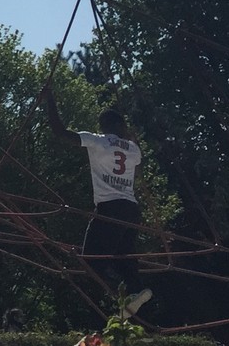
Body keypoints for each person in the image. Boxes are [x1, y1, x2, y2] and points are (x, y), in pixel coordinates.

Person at [43, 83, 153, 315]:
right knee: (125, 256)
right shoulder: (133, 149)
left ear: (103, 127)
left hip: (109, 207)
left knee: (91, 261)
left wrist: (49, 100)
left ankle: (117, 290)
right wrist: (128, 136)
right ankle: (135, 291)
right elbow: (138, 166)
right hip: (131, 208)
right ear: (120, 126)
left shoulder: (98, 141)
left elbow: (60, 132)